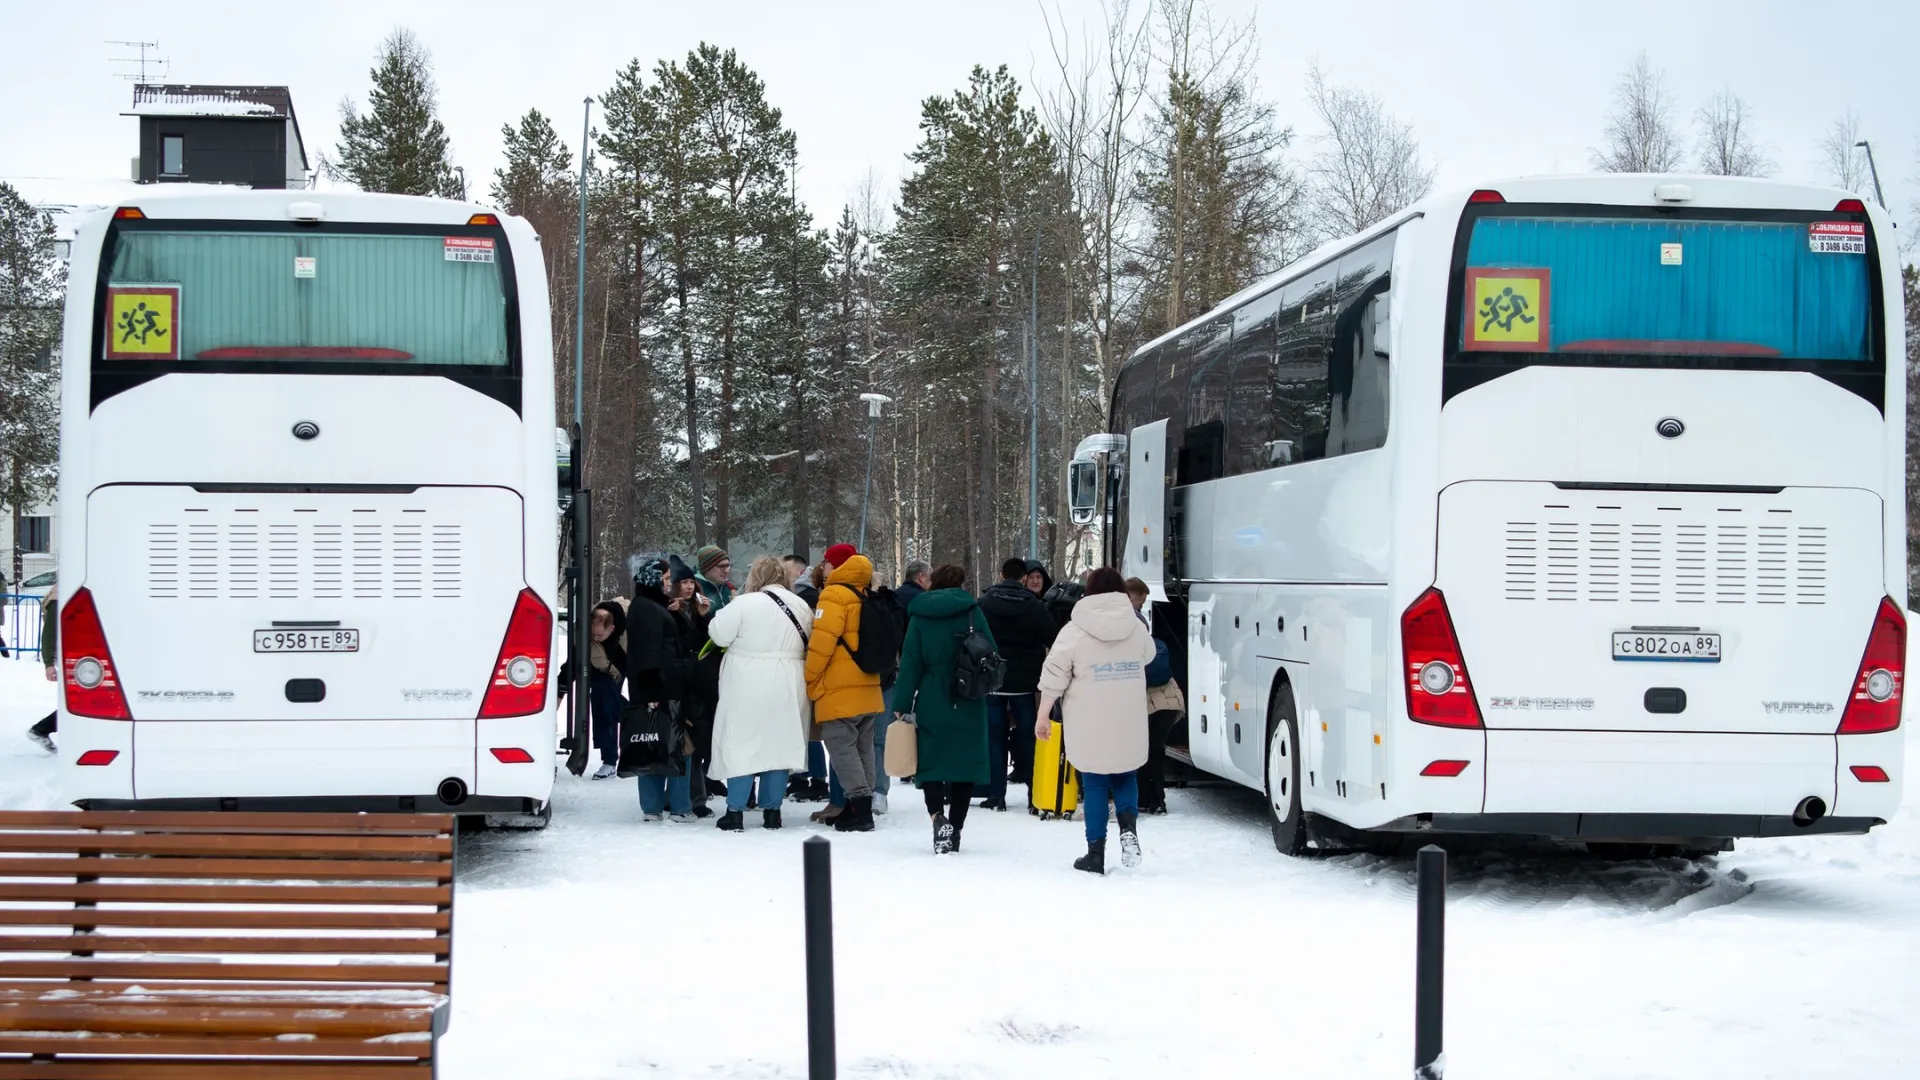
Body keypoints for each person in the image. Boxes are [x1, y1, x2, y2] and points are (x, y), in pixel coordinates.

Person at [1036, 567, 1156, 875]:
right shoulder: (1135, 625)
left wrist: (1043, 714)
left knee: (1095, 782)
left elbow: (1055, 674)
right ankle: (1128, 828)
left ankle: (1095, 853)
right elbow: (1149, 655)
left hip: (1089, 718)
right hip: (1128, 715)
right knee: (1126, 774)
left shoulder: (1075, 629)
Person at [889, 564, 994, 854]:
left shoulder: (920, 616)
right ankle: (956, 829)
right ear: (961, 583)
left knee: (932, 763)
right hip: (969, 694)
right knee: (964, 766)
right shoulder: (973, 611)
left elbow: (910, 662)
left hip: (933, 696)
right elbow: (990, 651)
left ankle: (938, 818)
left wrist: (901, 704)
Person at [707, 556, 813, 831]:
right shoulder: (800, 605)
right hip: (789, 680)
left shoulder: (744, 603)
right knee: (779, 745)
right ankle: (772, 811)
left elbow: (718, 635)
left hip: (747, 681)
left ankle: (735, 811)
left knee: (741, 744)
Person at [803, 543, 884, 832]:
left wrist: (810, 678)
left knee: (841, 748)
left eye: (825, 563)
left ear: (836, 566)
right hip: (868, 684)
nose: (822, 568)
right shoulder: (864, 592)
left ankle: (860, 811)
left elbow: (822, 643)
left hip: (839, 688)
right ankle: (861, 808)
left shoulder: (833, 595)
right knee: (864, 748)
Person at [976, 556, 1058, 810]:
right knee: (1029, 736)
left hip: (992, 679)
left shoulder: (984, 602)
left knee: (994, 737)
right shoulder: (1034, 605)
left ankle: (996, 795)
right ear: (1024, 578)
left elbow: (974, 635)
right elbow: (1051, 636)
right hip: (1024, 681)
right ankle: (1035, 794)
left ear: (1001, 574)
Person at [627, 554, 701, 821]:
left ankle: (654, 807)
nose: (670, 584)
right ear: (654, 579)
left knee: (654, 747)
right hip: (661, 691)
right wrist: (680, 672)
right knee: (677, 748)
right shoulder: (647, 608)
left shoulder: (651, 605)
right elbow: (652, 653)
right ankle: (677, 807)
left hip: (656, 690)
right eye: (667, 579)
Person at [1126, 577, 1184, 814]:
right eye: (1141, 600)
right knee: (1156, 749)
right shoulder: (1138, 621)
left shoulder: (1129, 620)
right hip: (1170, 698)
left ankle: (1144, 799)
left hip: (1150, 700)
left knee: (1141, 750)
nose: (1141, 606)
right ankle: (1157, 800)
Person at [557, 599, 630, 780]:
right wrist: (559, 692)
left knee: (607, 701)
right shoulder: (582, 635)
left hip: (620, 668)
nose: (594, 638)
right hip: (596, 671)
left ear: (612, 629)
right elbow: (571, 665)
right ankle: (610, 759)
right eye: (592, 634)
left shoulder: (630, 630)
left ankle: (614, 756)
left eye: (599, 636)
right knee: (603, 699)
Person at [25, 594, 57, 753]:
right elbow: (49, 633)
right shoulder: (60, 597)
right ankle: (40, 730)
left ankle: (41, 729)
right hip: (70, 657)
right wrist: (49, 663)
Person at [693, 545, 735, 613]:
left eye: (728, 566)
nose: (726, 571)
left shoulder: (729, 588)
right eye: (722, 566)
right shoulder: (693, 590)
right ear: (707, 567)